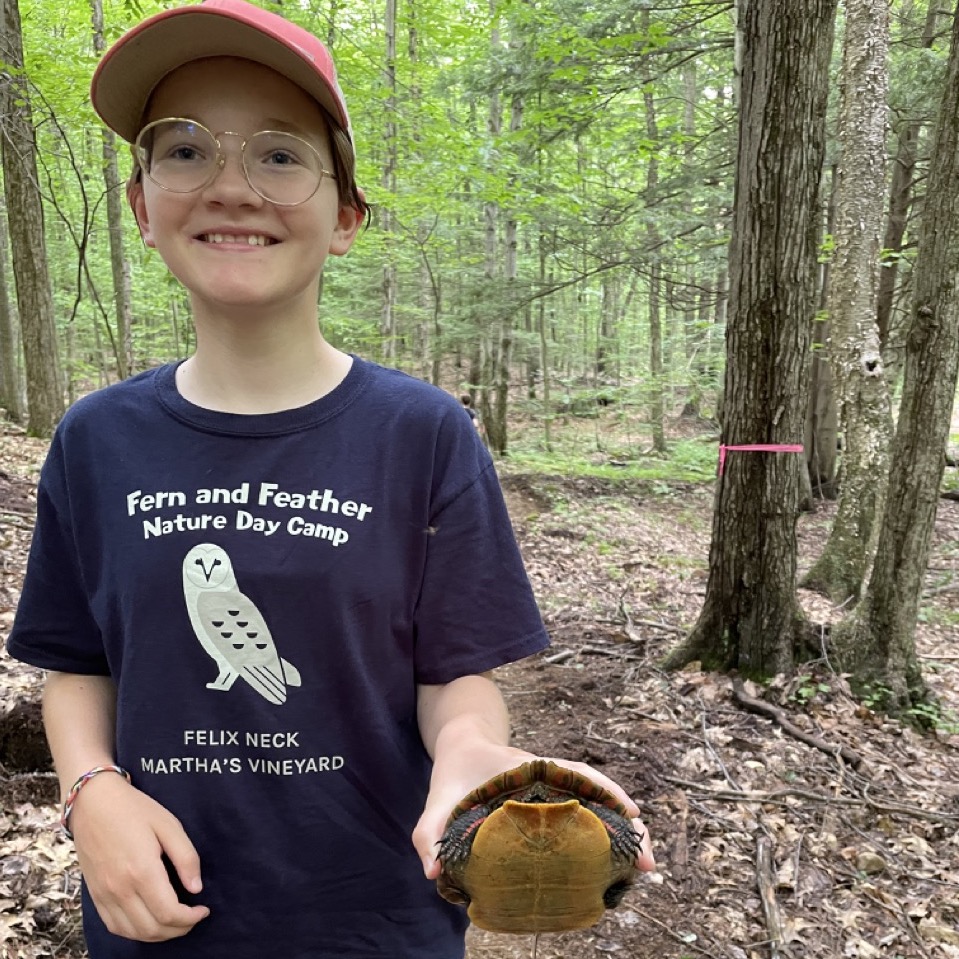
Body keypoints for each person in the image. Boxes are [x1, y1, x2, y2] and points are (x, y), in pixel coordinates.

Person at [5, 2, 654, 956]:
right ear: (141, 206)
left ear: (344, 217)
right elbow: (75, 662)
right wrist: (91, 794)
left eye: (278, 155)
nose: (230, 184)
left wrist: (472, 757)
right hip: (154, 917)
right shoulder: (97, 438)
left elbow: (455, 679)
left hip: (378, 915)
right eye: (183, 151)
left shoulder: (422, 432)